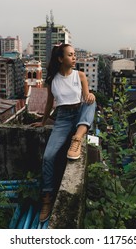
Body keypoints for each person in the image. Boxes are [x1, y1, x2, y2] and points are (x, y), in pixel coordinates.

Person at [31, 43, 96, 222]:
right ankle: (47, 197)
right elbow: (49, 104)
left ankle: (78, 137)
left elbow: (86, 97)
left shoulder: (80, 75)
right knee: (48, 157)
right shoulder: (53, 81)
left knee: (93, 101)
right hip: (62, 120)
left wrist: (90, 96)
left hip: (79, 115)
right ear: (60, 59)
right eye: (70, 55)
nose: (74, 57)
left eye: (75, 54)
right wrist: (43, 122)